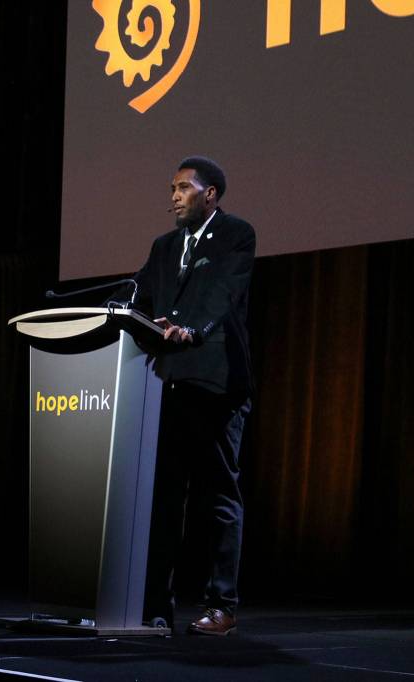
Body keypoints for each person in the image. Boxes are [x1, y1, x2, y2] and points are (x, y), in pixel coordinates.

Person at [126, 156, 255, 635]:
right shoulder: (163, 248)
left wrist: (191, 330)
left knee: (219, 496)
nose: (173, 196)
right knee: (163, 499)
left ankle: (221, 605)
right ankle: (156, 607)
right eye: (172, 188)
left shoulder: (237, 236)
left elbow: (222, 297)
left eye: (183, 188)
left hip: (217, 385)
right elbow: (137, 296)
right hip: (170, 385)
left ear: (210, 195)